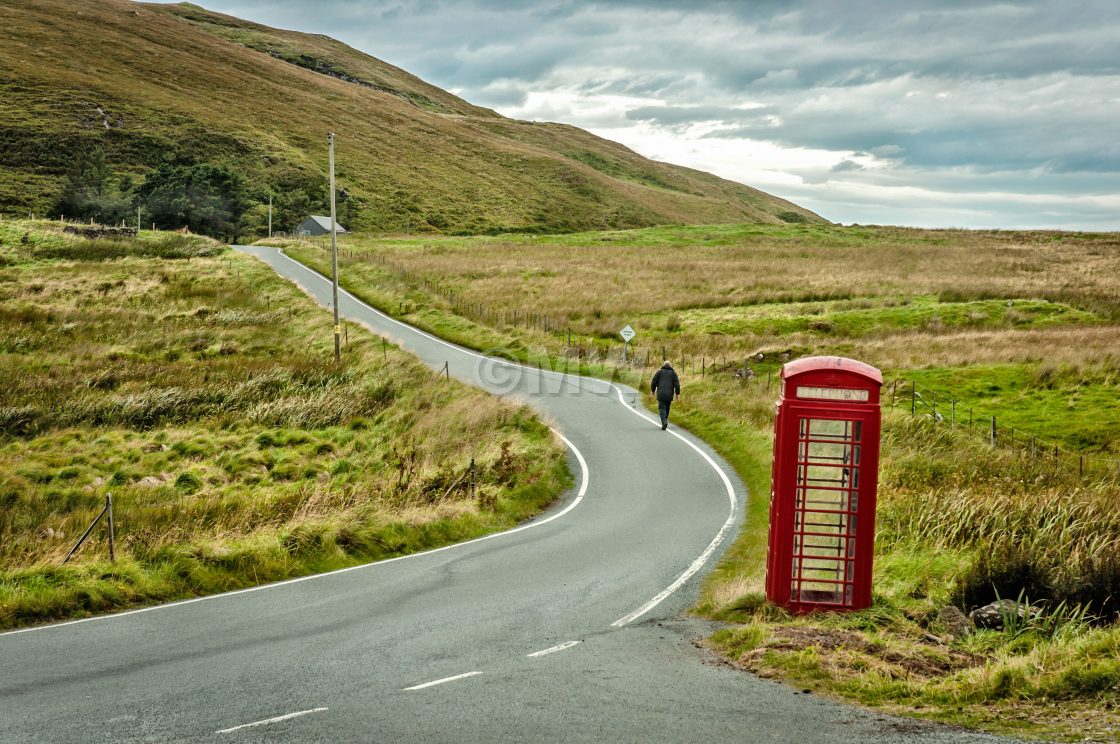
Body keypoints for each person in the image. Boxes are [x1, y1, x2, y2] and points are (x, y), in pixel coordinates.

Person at [650, 361, 681, 431]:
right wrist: (677, 394)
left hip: (661, 393)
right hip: (669, 394)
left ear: (663, 365)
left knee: (661, 408)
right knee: (667, 407)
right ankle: (665, 420)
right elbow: (677, 384)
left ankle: (664, 422)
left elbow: (654, 382)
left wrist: (653, 391)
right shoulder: (673, 373)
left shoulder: (659, 372)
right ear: (670, 366)